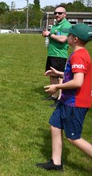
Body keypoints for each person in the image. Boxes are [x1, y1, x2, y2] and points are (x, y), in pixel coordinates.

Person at [36, 23, 92, 171]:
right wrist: (58, 74)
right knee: (55, 125)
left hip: (75, 103)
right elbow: (75, 76)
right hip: (66, 100)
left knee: (73, 138)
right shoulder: (79, 53)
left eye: (69, 35)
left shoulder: (79, 56)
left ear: (75, 39)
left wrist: (57, 86)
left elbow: (78, 82)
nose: (67, 37)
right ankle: (56, 162)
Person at [42, 6, 72, 104]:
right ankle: (54, 96)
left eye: (59, 13)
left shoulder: (67, 25)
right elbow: (52, 35)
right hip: (52, 53)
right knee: (52, 75)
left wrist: (49, 34)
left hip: (60, 55)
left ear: (65, 14)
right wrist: (46, 34)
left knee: (60, 77)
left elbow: (63, 39)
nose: (57, 15)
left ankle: (60, 99)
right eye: (55, 13)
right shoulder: (56, 25)